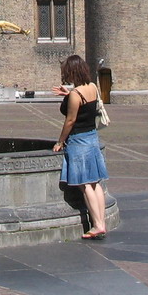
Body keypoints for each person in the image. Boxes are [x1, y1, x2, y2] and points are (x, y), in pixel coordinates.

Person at [52, 55, 108, 239]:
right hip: (92, 138)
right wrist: (67, 94)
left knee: (85, 185)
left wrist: (60, 141)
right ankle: (102, 222)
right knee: (95, 182)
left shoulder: (76, 94)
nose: (64, 75)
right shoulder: (92, 87)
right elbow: (86, 107)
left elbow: (71, 120)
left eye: (66, 72)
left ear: (72, 71)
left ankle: (97, 225)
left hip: (79, 141)